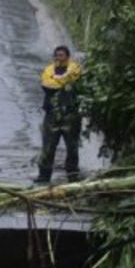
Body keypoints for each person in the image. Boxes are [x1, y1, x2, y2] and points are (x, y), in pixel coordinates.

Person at [36, 45, 82, 183]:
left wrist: (59, 80)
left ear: (67, 57)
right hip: (51, 115)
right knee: (48, 147)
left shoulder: (75, 69)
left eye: (61, 55)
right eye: (56, 55)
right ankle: (44, 176)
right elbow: (47, 84)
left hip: (70, 115)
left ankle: (72, 175)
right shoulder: (48, 70)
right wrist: (60, 81)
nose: (58, 58)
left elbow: (70, 78)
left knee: (72, 147)